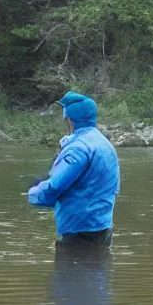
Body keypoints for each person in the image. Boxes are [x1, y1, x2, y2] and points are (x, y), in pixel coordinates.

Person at [28, 91, 120, 246]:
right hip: (103, 227)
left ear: (69, 120)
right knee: (98, 269)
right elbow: (114, 187)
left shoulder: (77, 149)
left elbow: (54, 188)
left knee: (71, 270)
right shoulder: (105, 144)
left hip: (79, 231)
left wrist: (32, 193)